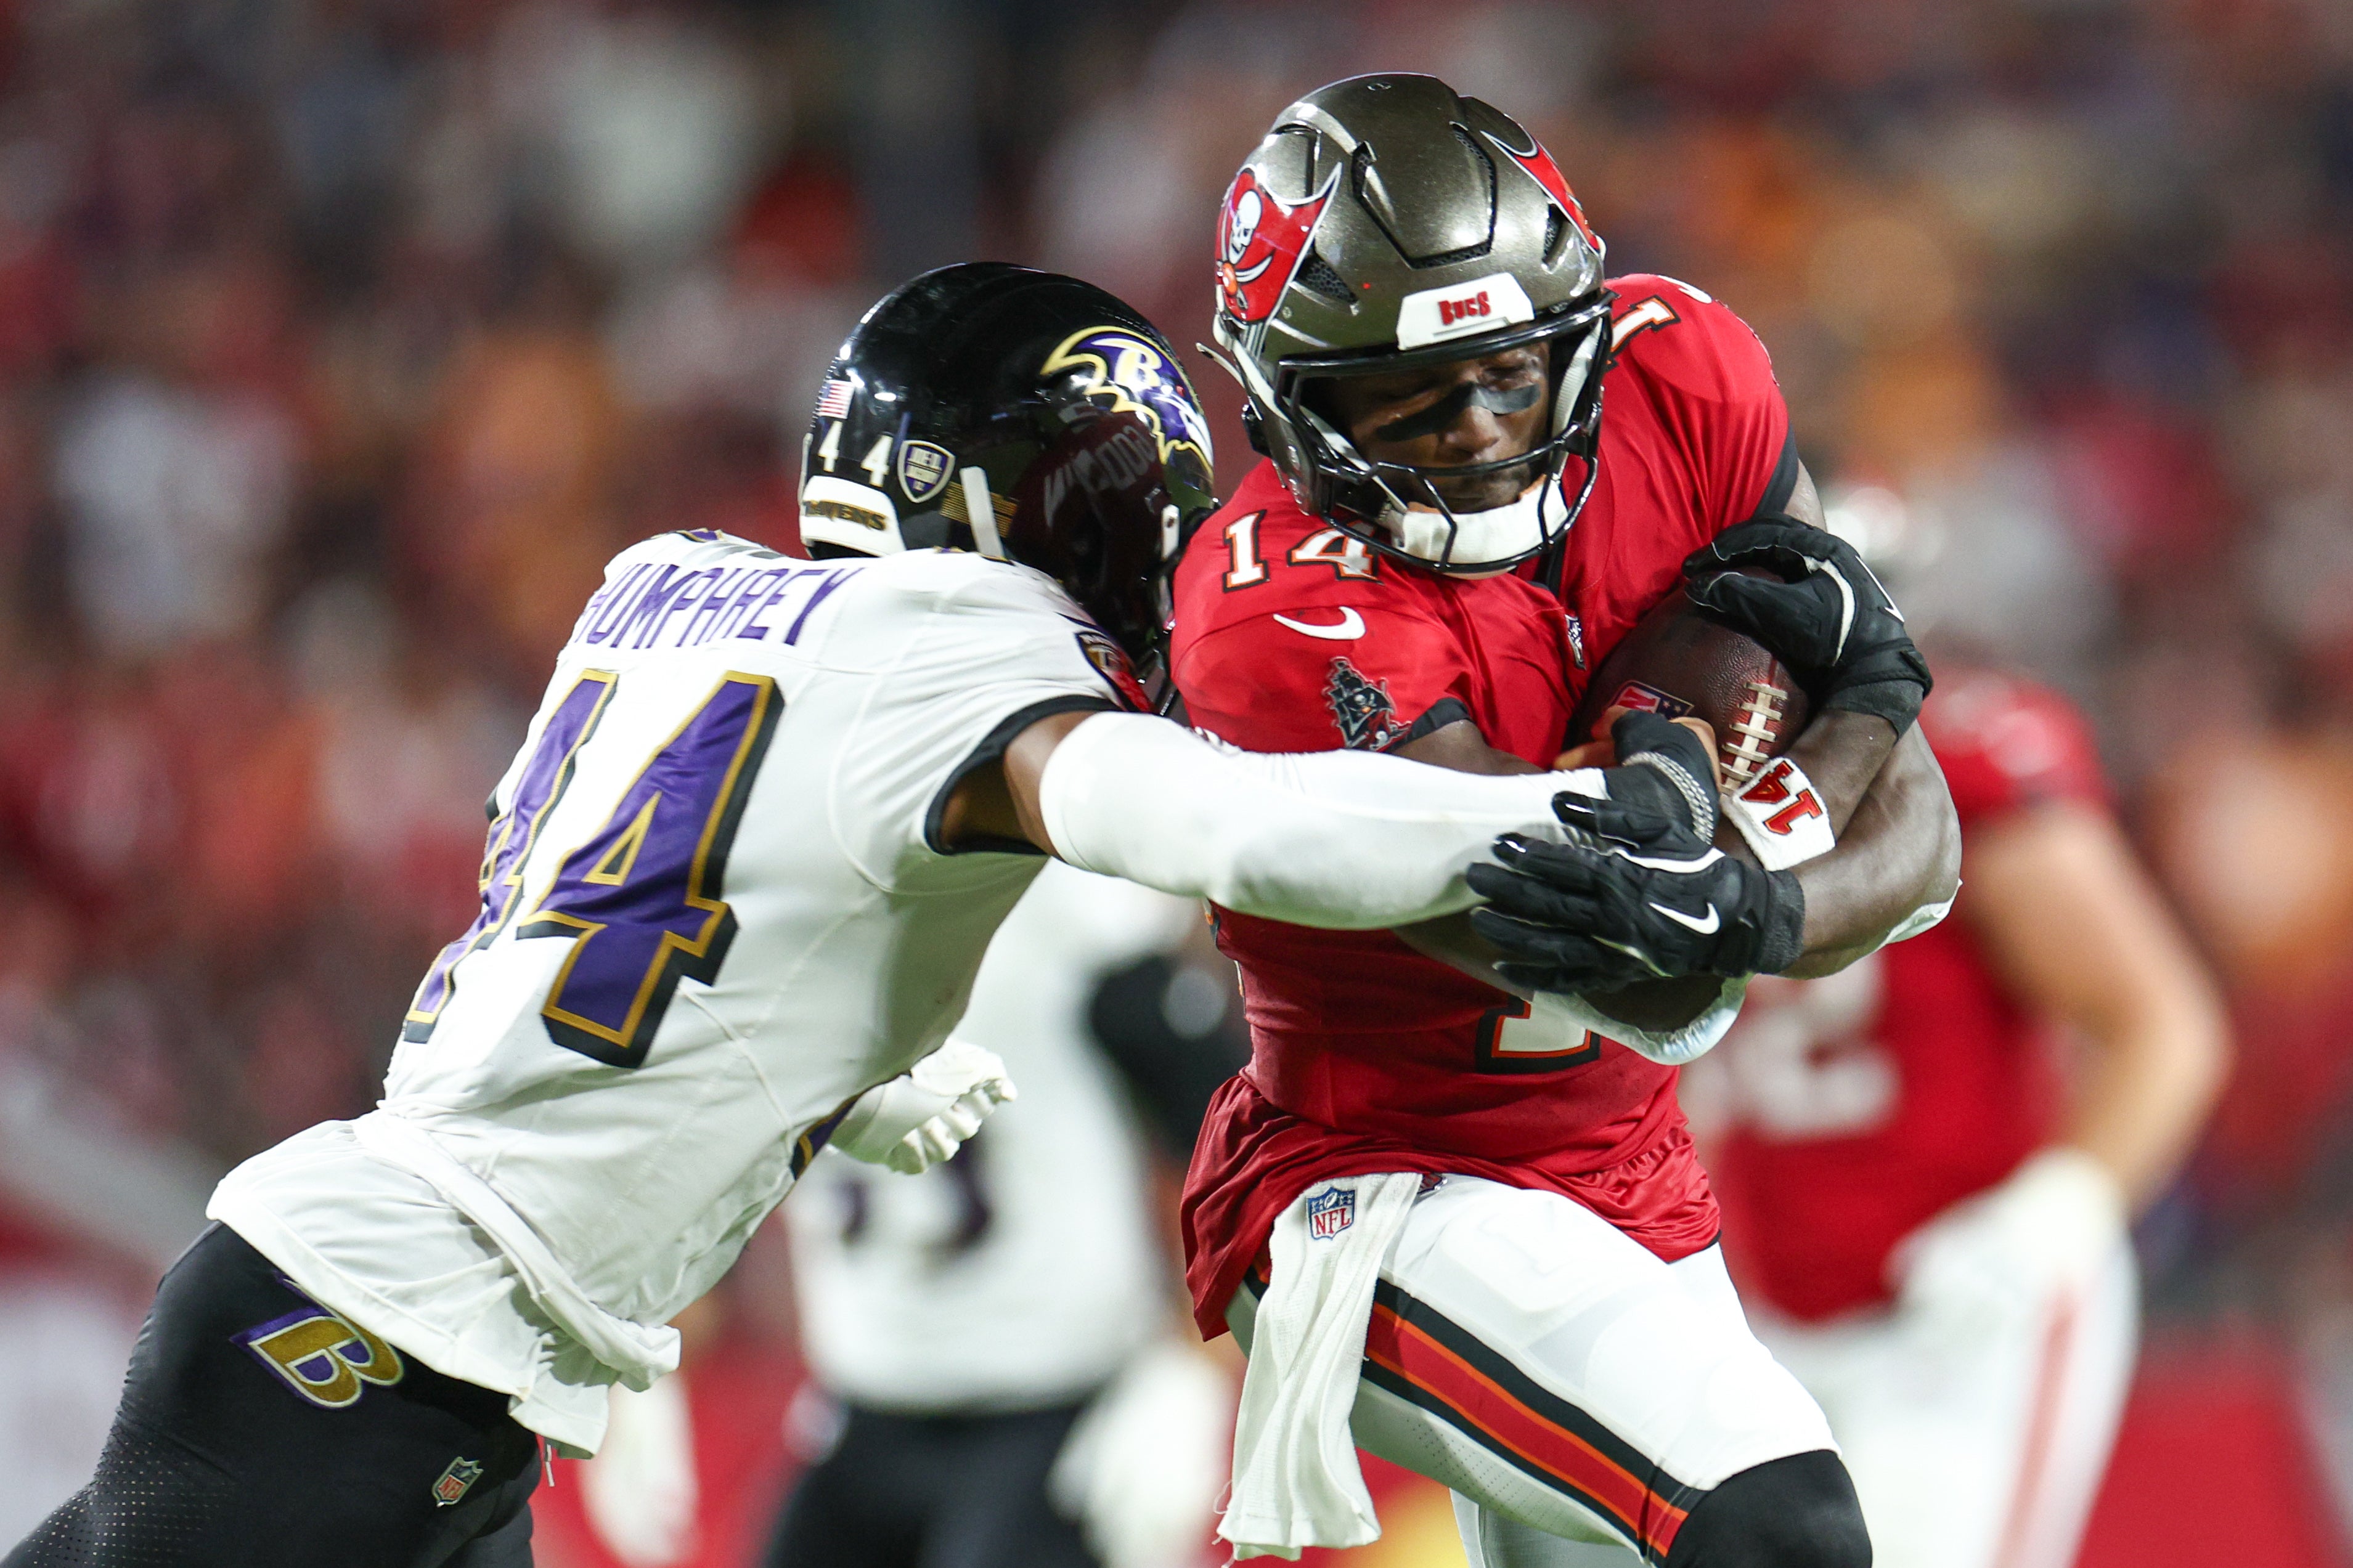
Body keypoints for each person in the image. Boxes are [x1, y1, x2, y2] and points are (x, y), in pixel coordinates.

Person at [4, 264, 1718, 1568]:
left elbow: (599, 898)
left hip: (392, 1331)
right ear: (984, 498)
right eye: (1106, 496)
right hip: (376, 1343)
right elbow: (1230, 823)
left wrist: (830, 1053)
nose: (1140, 543)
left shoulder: (665, 590)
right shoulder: (956, 645)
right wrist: (1552, 814)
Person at [1172, 75, 1959, 1566]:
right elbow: (1639, 973)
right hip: (1380, 1180)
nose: (1472, 432)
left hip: (1628, 1173)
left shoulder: (1684, 375)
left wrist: (1759, 901)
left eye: (1509, 376)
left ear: (1581, 342)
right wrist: (1841, 728)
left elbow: (1920, 844)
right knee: (1780, 1525)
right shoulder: (1276, 607)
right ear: (1283, 398)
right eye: (1402, 395)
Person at [1686, 664, 2229, 1568]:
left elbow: (2164, 1028)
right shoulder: (1669, 763)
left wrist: (2046, 1218)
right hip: (1772, 1312)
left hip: (1962, 1314)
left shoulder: (1959, 756)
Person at [769, 861, 1238, 1568]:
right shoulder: (760, 909)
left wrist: (1195, 1374)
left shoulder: (1066, 912)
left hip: (1058, 1403)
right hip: (864, 1398)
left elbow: (1233, 1147)